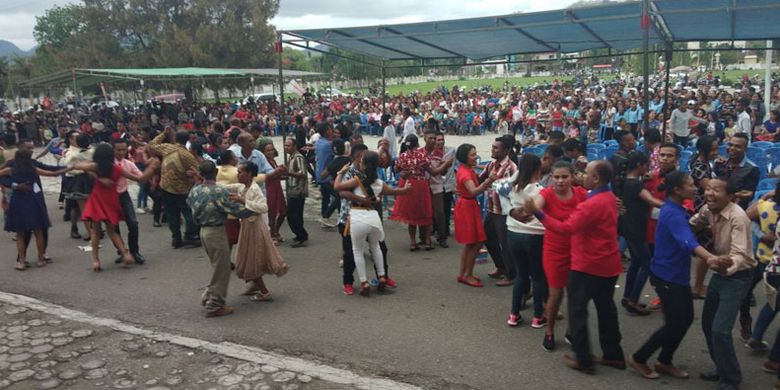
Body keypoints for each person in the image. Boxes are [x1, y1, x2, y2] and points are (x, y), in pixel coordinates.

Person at [525, 161, 625, 374]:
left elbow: (566, 228)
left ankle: (583, 359)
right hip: (608, 263)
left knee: (576, 310)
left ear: (596, 179)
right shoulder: (606, 197)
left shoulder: (592, 202)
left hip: (589, 263)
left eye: (586, 173)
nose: (582, 175)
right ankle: (613, 354)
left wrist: (539, 214)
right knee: (606, 309)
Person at [628, 171, 722, 380]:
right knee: (675, 321)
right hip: (667, 275)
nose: (695, 188)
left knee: (684, 318)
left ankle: (664, 361)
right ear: (677, 190)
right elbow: (686, 241)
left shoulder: (676, 209)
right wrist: (710, 258)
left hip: (675, 274)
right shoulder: (672, 213)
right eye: (690, 185)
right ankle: (640, 357)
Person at [691, 177, 756, 389]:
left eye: (716, 190)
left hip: (738, 275)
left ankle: (731, 379)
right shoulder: (709, 209)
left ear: (729, 197)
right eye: (708, 188)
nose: (709, 193)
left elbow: (739, 254)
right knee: (708, 324)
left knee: (720, 329)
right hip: (720, 271)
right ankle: (721, 367)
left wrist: (724, 265)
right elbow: (694, 222)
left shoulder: (738, 217)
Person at [517, 161, 588, 350]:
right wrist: (526, 211)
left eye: (565, 177)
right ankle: (549, 331)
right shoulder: (546, 194)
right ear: (551, 178)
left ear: (572, 177)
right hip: (554, 250)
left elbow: (594, 205)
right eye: (557, 177)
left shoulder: (580, 194)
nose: (560, 181)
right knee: (556, 294)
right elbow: (535, 207)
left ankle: (572, 330)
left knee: (575, 294)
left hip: (577, 250)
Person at [334, 151, 411, 296]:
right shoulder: (379, 183)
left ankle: (364, 282)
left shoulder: (357, 180)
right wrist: (406, 189)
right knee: (376, 248)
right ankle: (382, 276)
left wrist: (340, 172)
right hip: (374, 218)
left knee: (357, 251)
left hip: (358, 216)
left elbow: (338, 188)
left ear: (363, 164)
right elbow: (395, 192)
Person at [187, 160, 255, 318]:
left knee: (218, 266)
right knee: (222, 269)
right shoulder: (219, 191)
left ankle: (209, 295)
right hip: (216, 231)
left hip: (203, 231)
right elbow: (238, 211)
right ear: (215, 173)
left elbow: (189, 204)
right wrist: (253, 206)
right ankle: (215, 304)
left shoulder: (195, 190)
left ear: (201, 174)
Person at [224, 161, 289, 302]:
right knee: (250, 258)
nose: (238, 174)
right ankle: (256, 285)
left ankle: (264, 291)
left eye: (241, 172)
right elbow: (224, 187)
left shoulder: (254, 189)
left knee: (251, 259)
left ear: (249, 174)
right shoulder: (242, 186)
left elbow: (263, 207)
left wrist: (242, 201)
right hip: (247, 226)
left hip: (254, 227)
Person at [71, 144, 140, 272]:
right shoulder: (117, 169)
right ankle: (125, 254)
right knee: (112, 231)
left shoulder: (96, 167)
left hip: (97, 199)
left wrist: (98, 176)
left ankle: (96, 260)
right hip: (111, 200)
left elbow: (77, 165)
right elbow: (137, 178)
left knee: (95, 232)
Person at [499, 153, 547, 328]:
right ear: (537, 169)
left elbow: (499, 188)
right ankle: (537, 317)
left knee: (521, 274)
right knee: (537, 276)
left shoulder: (512, 187)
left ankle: (514, 314)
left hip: (513, 232)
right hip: (535, 235)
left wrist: (511, 211)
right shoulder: (540, 190)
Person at [0, 148, 66, 270]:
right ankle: (41, 259)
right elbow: (52, 173)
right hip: (33, 199)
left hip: (18, 200)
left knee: (20, 233)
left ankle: (21, 261)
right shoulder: (33, 169)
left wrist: (14, 185)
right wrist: (69, 168)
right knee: (38, 231)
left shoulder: (11, 169)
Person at [620, 152, 663, 315]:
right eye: (647, 165)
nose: (649, 168)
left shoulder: (624, 182)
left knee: (636, 262)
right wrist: (672, 207)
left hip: (627, 227)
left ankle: (627, 295)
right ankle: (633, 300)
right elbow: (651, 201)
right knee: (646, 264)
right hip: (637, 228)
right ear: (639, 165)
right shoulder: (636, 185)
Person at [391, 134, 451, 251]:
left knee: (411, 215)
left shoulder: (402, 156)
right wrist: (446, 164)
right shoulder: (422, 155)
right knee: (425, 213)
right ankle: (428, 241)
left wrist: (404, 172)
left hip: (407, 185)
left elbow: (396, 169)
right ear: (418, 143)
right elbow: (433, 172)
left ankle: (413, 243)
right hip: (421, 186)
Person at [148, 126, 201, 248]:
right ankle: (190, 235)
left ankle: (176, 238)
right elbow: (198, 171)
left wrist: (163, 133)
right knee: (188, 212)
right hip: (182, 188)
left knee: (172, 214)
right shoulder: (187, 155)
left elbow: (152, 145)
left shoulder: (167, 148)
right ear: (187, 140)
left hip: (166, 186)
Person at [454, 143, 497, 287]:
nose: (475, 157)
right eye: (472, 155)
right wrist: (489, 180)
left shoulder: (465, 169)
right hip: (467, 206)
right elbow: (473, 191)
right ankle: (467, 274)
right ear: (465, 157)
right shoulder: (465, 173)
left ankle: (464, 273)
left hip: (467, 205)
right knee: (475, 242)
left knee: (471, 243)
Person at [111, 138, 159, 265]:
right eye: (118, 150)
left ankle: (134, 251)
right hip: (110, 198)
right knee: (113, 227)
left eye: (123, 149)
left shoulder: (128, 164)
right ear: (112, 149)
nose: (121, 152)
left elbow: (140, 177)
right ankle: (122, 251)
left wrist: (151, 177)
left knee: (133, 223)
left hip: (124, 196)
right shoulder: (108, 164)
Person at [745, 183, 780, 350]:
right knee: (774, 302)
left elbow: (747, 217)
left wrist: (761, 235)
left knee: (771, 301)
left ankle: (754, 335)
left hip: (763, 257)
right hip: (776, 264)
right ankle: (756, 336)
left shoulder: (765, 206)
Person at [481, 136, 518, 287]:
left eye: (496, 148)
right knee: (488, 237)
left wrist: (496, 182)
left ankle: (511, 274)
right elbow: (480, 179)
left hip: (503, 211)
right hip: (492, 208)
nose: (493, 150)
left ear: (506, 150)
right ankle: (501, 266)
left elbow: (513, 190)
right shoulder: (491, 165)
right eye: (493, 147)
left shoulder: (512, 167)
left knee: (505, 243)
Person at [61, 133, 93, 240]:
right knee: (76, 207)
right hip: (77, 180)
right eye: (75, 138)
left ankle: (91, 231)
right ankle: (78, 229)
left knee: (85, 208)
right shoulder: (71, 152)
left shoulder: (74, 153)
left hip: (82, 179)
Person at [258, 140, 287, 244]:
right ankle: (272, 235)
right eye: (268, 150)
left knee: (283, 211)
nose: (270, 152)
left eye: (272, 150)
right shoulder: (263, 162)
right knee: (272, 213)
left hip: (277, 186)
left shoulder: (273, 161)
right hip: (269, 187)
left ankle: (276, 231)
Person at [284, 138, 309, 247]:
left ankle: (301, 235)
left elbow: (302, 173)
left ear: (294, 146)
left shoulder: (298, 157)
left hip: (298, 190)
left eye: (288, 146)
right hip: (293, 189)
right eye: (285, 145)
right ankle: (300, 235)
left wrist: (289, 173)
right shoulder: (291, 157)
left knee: (292, 215)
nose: (286, 148)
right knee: (296, 215)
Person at [314, 121, 337, 227]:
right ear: (327, 131)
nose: (332, 131)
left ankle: (324, 218)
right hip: (327, 176)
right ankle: (326, 216)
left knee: (325, 197)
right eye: (330, 129)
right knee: (338, 197)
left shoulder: (319, 142)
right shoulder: (329, 145)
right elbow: (337, 156)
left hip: (319, 173)